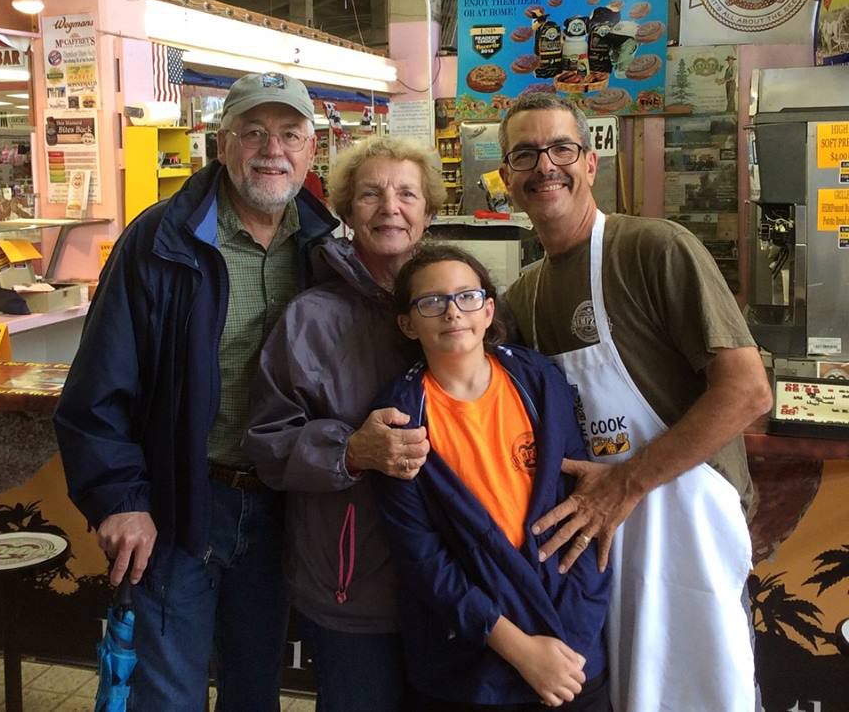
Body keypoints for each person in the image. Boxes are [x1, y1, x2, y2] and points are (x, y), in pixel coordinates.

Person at [53, 72, 337, 711]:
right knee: (166, 695)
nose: (273, 149)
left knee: (254, 689)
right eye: (254, 132)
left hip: (280, 509)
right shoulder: (158, 242)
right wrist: (120, 499)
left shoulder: (324, 247)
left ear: (311, 151)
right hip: (181, 502)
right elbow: (96, 389)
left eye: (290, 134)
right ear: (221, 143)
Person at [498, 94, 773, 712]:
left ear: (590, 162)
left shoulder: (654, 249)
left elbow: (747, 391)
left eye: (561, 148)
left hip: (683, 525)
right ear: (507, 179)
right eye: (524, 154)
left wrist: (625, 485)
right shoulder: (524, 296)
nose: (545, 166)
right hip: (597, 540)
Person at [243, 136, 445, 712]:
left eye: (407, 193)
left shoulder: (462, 305)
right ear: (345, 212)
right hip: (353, 585)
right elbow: (268, 441)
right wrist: (351, 450)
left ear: (429, 211)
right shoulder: (310, 318)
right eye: (370, 194)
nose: (390, 207)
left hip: (455, 582)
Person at [375, 244, 612, 712]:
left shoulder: (539, 382)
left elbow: (583, 510)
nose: (451, 312)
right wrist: (519, 648)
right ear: (408, 323)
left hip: (570, 651)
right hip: (471, 661)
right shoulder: (398, 420)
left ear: (488, 311)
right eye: (431, 302)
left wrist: (570, 642)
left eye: (467, 297)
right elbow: (426, 563)